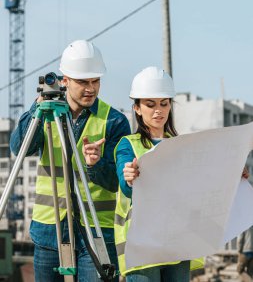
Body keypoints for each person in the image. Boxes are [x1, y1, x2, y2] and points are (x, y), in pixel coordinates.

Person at [10, 39, 131, 282]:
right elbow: (18, 148)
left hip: (96, 231)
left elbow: (118, 182)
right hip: (49, 228)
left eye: (95, 81)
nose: (91, 88)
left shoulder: (114, 121)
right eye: (83, 82)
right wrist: (37, 108)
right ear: (64, 80)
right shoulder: (46, 112)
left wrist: (94, 165)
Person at [114, 66, 204, 282]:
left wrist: (234, 169)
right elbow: (127, 188)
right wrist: (129, 176)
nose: (158, 111)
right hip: (143, 243)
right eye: (150, 104)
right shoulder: (128, 145)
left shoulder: (181, 145)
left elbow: (200, 181)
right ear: (136, 108)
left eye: (164, 104)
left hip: (177, 239)